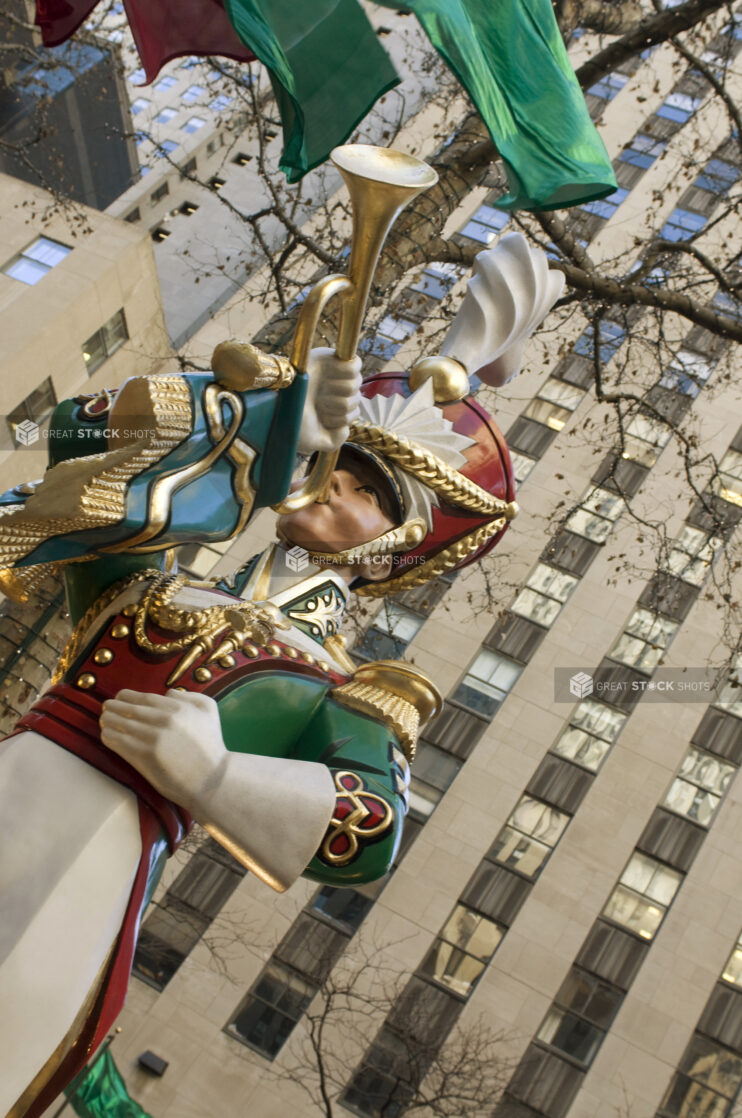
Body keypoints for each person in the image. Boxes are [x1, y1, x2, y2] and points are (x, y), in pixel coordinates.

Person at [0, 233, 562, 1118]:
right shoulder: (155, 569)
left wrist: (217, 776)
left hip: (82, 878)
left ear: (388, 553)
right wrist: (253, 424)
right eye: (333, 463)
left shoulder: (344, 690)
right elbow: (75, 439)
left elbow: (367, 831)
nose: (333, 484)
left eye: (366, 491)